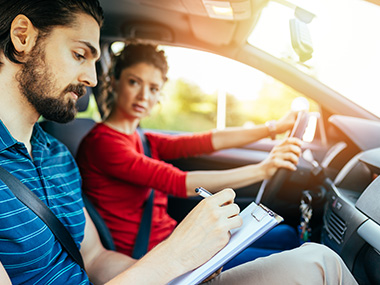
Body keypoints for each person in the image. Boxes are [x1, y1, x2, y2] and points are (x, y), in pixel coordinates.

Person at [0, 0, 358, 284]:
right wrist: (175, 256)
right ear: (22, 37)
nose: (92, 79)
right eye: (80, 54)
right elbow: (177, 181)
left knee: (321, 262)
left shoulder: (57, 155)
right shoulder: (102, 143)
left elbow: (94, 258)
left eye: (95, 61)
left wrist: (182, 269)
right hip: (157, 262)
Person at [76, 43, 303, 261]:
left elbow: (204, 141)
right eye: (134, 82)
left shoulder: (140, 137)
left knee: (286, 235)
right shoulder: (104, 143)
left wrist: (272, 128)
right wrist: (263, 170)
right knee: (288, 256)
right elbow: (180, 182)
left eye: (153, 88)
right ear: (114, 82)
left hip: (173, 240)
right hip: (153, 257)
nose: (144, 95)